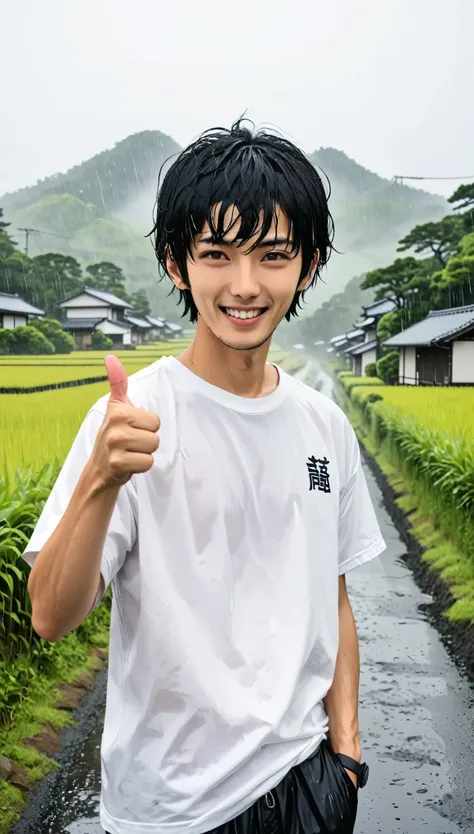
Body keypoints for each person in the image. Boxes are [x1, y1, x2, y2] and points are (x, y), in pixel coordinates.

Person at [24, 119, 386, 834]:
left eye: (273, 255)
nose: (245, 285)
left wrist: (346, 751)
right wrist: (100, 480)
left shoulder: (324, 426)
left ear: (308, 266)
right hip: (170, 808)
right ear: (175, 264)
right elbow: (48, 617)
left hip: (309, 784)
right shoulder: (131, 418)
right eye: (217, 254)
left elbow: (332, 596)